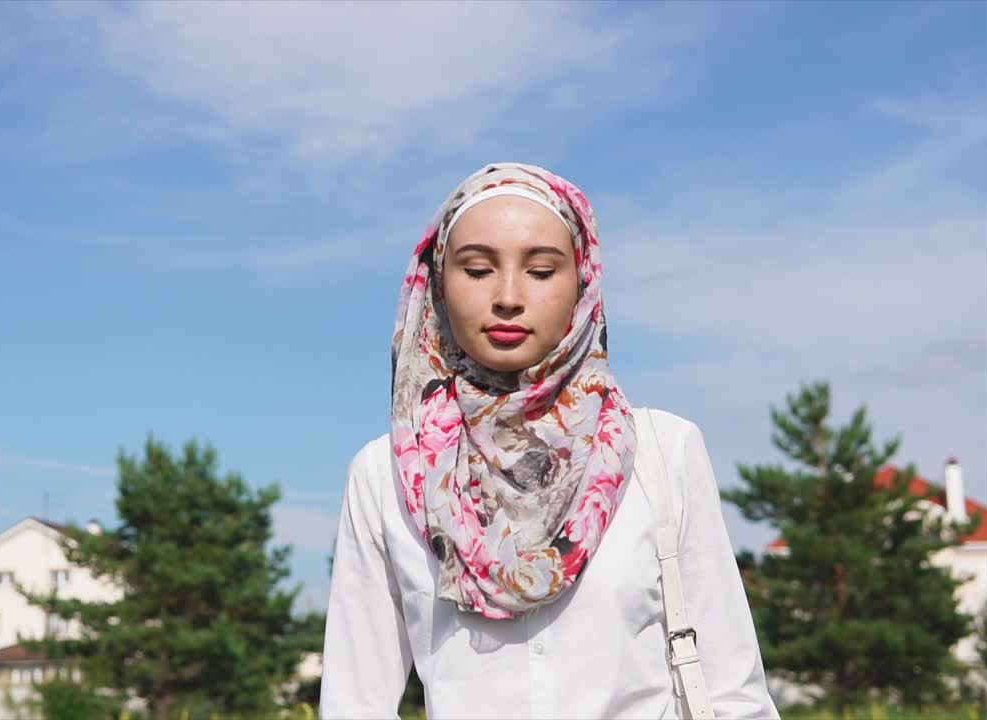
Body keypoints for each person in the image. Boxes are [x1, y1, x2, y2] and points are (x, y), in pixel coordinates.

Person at [319, 163, 779, 719]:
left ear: (583, 284)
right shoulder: (386, 472)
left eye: (540, 270)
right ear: (438, 283)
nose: (508, 296)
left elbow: (734, 691)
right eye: (477, 269)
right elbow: (354, 703)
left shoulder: (663, 451)